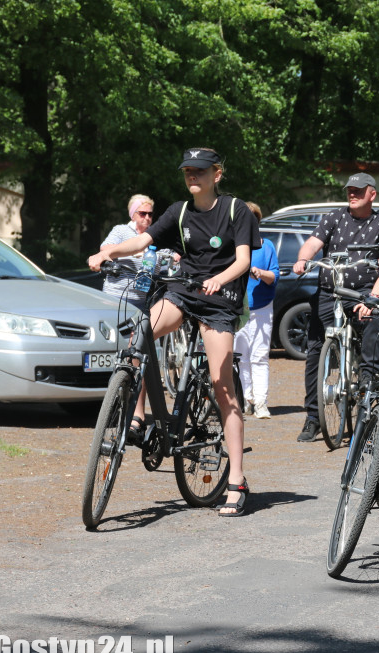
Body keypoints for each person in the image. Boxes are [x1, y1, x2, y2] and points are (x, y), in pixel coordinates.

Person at [87, 147, 258, 517]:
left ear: (217, 173)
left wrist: (220, 279)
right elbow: (143, 241)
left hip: (221, 298)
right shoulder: (178, 212)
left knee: (221, 384)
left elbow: (243, 259)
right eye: (187, 171)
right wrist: (109, 253)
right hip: (184, 290)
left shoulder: (236, 210)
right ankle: (137, 413)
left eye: (199, 171)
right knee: (142, 331)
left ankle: (237, 481)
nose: (192, 177)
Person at [292, 173, 379, 442]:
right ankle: (313, 417)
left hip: (361, 294)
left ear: (372, 193)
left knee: (375, 328)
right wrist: (303, 259)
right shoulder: (334, 217)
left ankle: (369, 397)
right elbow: (314, 243)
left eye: (359, 190)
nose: (352, 194)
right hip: (329, 290)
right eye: (350, 189)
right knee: (314, 351)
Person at [235, 202, 279, 419]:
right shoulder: (233, 245)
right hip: (238, 307)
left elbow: (275, 277)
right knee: (241, 357)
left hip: (262, 306)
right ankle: (247, 398)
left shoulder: (266, 246)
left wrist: (260, 273)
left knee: (259, 356)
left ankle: (261, 402)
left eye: (252, 217)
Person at [100, 194, 159, 309]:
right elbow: (105, 248)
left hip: (142, 300)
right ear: (133, 215)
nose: (147, 217)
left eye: (150, 214)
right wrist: (133, 250)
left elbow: (166, 257)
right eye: (143, 213)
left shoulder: (154, 237)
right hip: (115, 296)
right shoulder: (121, 230)